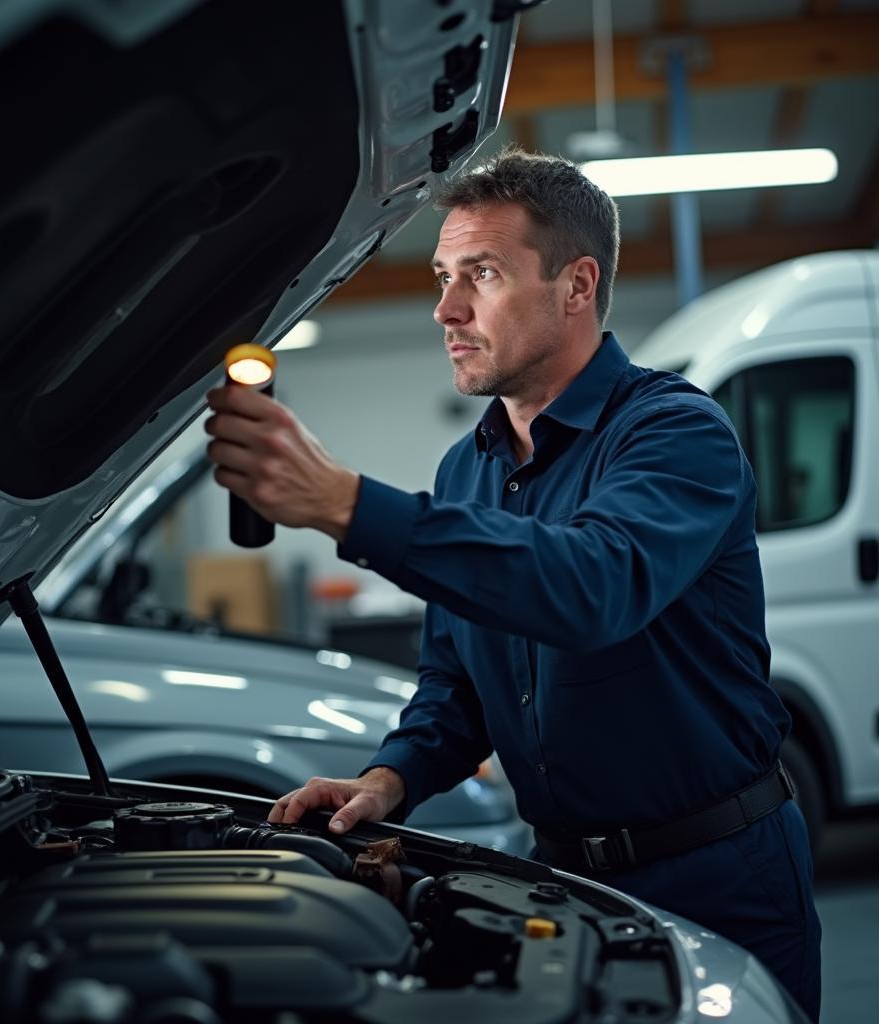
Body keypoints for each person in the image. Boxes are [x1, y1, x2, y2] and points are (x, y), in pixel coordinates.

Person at [204, 148, 822, 1021]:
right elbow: (456, 682)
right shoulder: (468, 469)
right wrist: (390, 779)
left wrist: (347, 505)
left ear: (577, 285)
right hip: (560, 880)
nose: (445, 310)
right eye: (442, 276)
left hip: (720, 874)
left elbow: (590, 589)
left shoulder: (677, 433)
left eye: (482, 274)